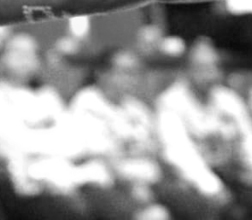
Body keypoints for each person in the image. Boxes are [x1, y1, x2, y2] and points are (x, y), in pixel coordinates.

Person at [0, 32, 136, 220]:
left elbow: (76, 141)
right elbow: (5, 145)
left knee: (116, 206)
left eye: (31, 53)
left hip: (70, 178)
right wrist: (49, 141)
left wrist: (36, 142)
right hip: (27, 185)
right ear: (1, 58)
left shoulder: (48, 96)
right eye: (17, 52)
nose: (25, 59)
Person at [71, 46, 220, 220]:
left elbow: (159, 151)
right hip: (110, 185)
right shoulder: (87, 104)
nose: (131, 79)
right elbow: (103, 157)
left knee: (200, 205)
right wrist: (134, 187)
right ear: (102, 73)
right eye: (125, 72)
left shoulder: (138, 109)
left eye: (135, 73)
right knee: (154, 215)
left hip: (151, 179)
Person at [154, 38, 252, 220]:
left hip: (228, 175)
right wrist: (210, 186)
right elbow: (178, 153)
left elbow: (251, 142)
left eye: (214, 67)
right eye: (202, 68)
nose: (210, 74)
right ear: (186, 71)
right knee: (221, 211)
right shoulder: (170, 103)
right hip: (186, 182)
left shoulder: (228, 100)